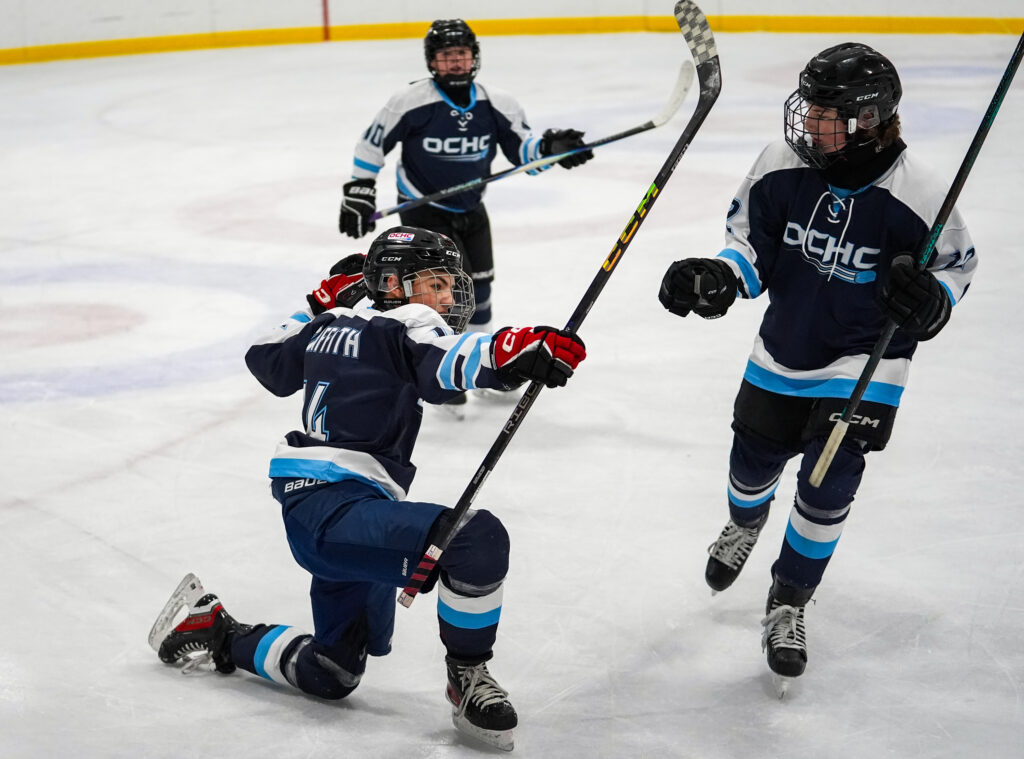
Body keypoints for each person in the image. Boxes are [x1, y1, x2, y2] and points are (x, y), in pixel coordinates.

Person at [150, 226, 587, 751]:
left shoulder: (331, 322)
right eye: (436, 284)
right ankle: (468, 676)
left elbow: (265, 359)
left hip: (329, 511)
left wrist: (317, 303)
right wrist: (513, 349)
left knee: (331, 671)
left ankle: (219, 630)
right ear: (394, 285)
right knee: (474, 538)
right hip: (336, 515)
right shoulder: (402, 325)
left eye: (449, 286)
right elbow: (445, 361)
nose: (446, 298)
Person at [657, 43, 976, 684]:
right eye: (809, 106)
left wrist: (931, 300)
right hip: (784, 350)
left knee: (828, 484)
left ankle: (789, 599)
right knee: (750, 468)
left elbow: (955, 267)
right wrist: (719, 277)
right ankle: (744, 523)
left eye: (826, 112)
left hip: (866, 364)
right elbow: (750, 247)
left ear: (868, 119)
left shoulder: (921, 193)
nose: (807, 121)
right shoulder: (781, 164)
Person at [338, 17, 594, 342]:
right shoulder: (410, 101)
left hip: (471, 207)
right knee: (438, 290)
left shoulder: (498, 102)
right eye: (446, 55)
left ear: (474, 56)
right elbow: (371, 145)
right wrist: (359, 191)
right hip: (423, 210)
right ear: (432, 61)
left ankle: (477, 350)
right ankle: (433, 352)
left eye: (462, 53)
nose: (456, 61)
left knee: (479, 288)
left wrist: (550, 149)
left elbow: (523, 151)